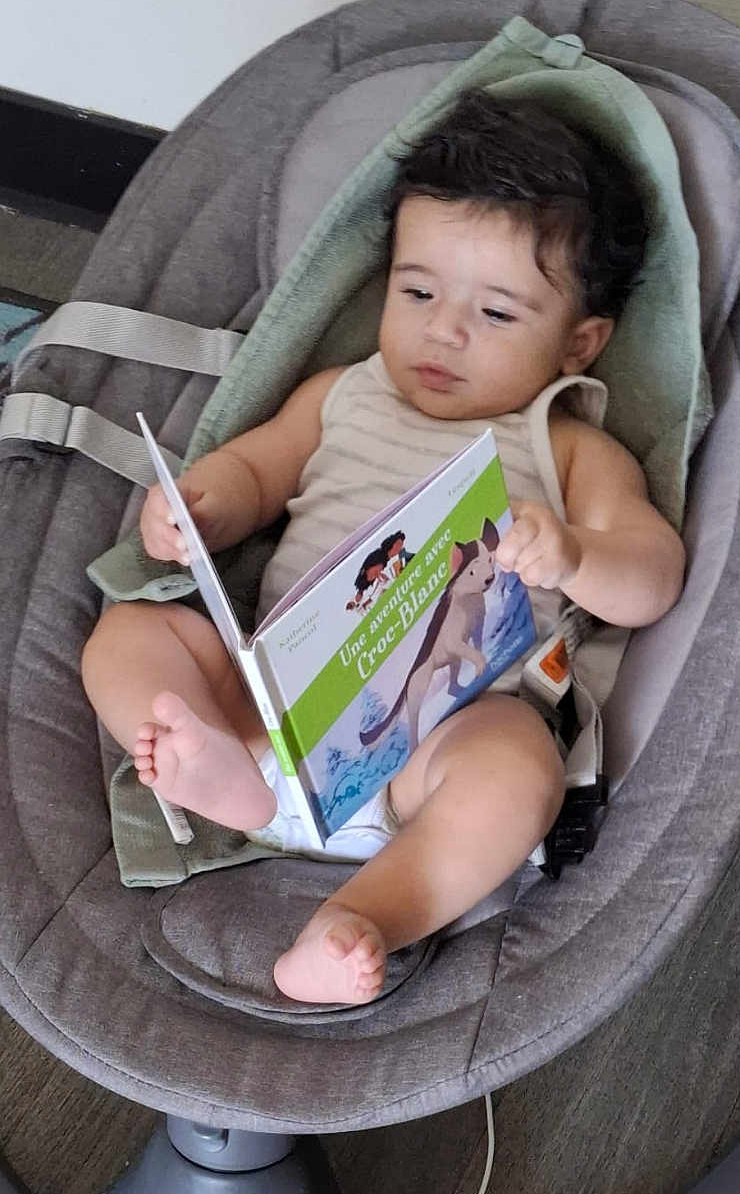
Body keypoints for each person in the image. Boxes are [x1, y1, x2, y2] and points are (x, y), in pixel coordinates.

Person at [82, 91, 685, 1006]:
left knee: (519, 770)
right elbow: (253, 474)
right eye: (417, 292)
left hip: (438, 747)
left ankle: (363, 920)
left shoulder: (568, 449)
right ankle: (230, 785)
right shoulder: (341, 395)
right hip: (268, 709)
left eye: (496, 314)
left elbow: (654, 577)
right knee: (129, 633)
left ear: (579, 344)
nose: (443, 331)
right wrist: (199, 509)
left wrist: (572, 557)